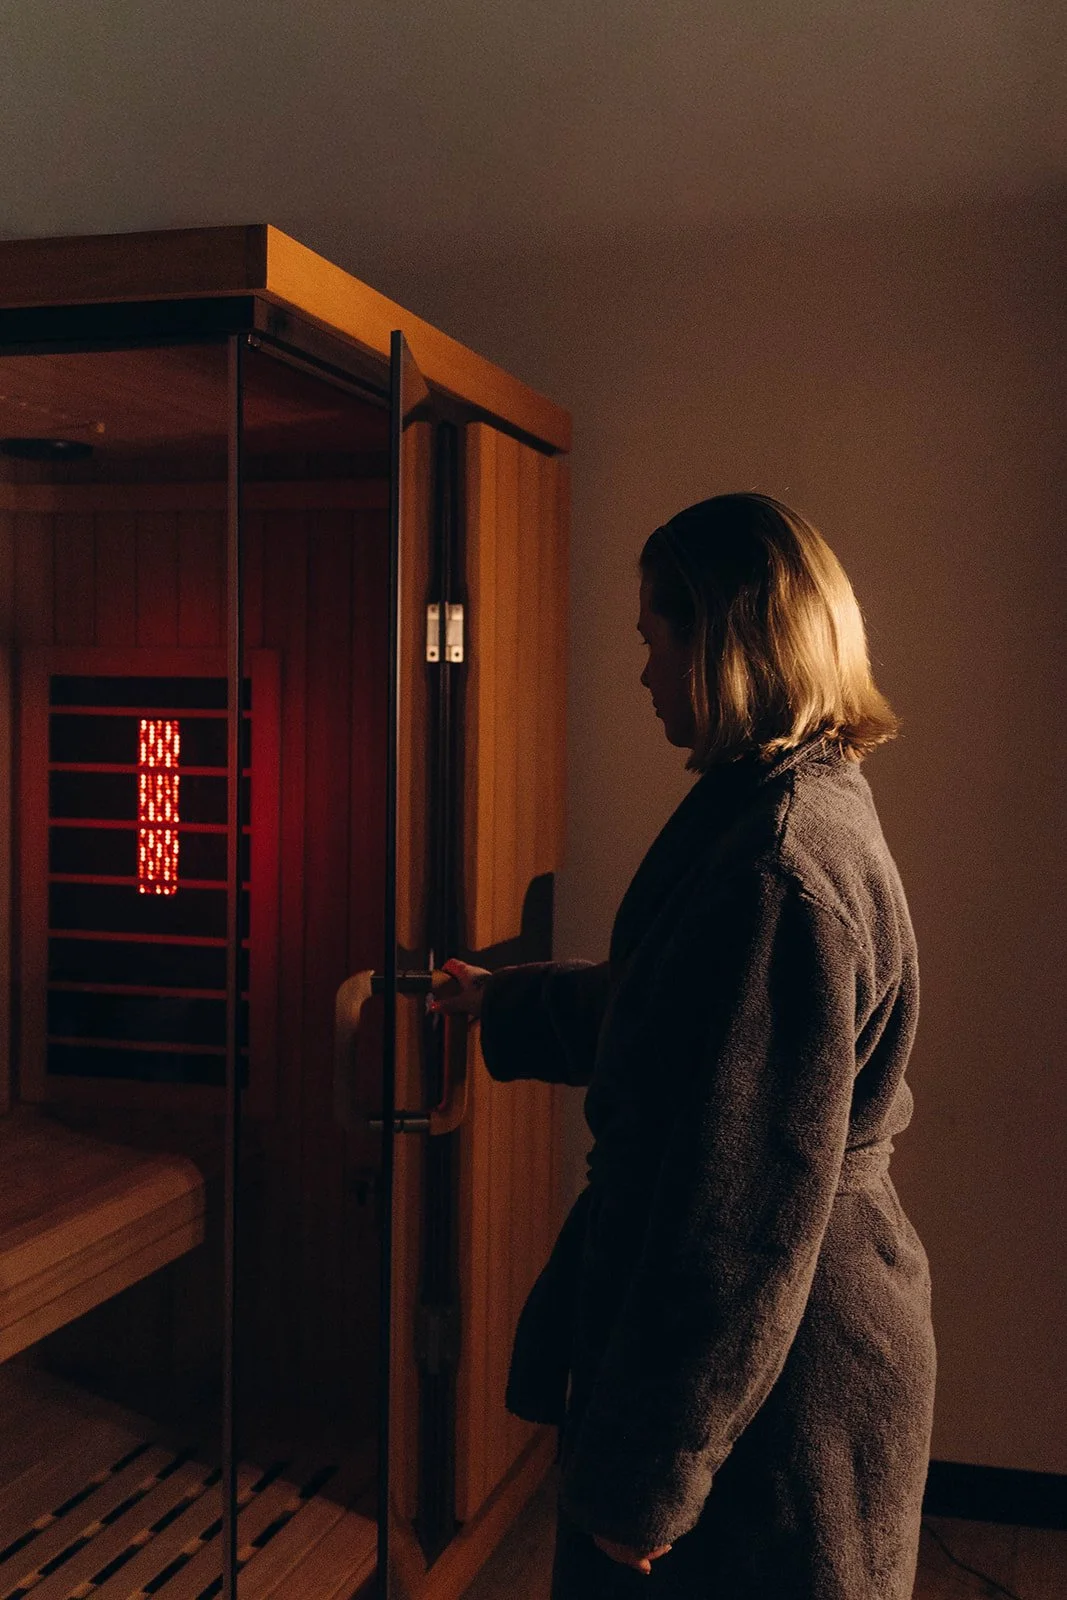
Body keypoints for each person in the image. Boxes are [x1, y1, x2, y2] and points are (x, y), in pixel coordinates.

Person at [431, 492, 936, 1599]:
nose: (644, 674)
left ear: (721, 642)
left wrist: (651, 1476)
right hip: (772, 1359)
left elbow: (738, 1204)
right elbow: (678, 1026)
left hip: (772, 1386)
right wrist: (502, 1003)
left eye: (654, 640)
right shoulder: (781, 802)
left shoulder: (776, 862)